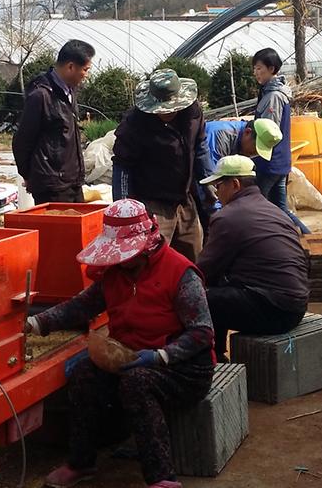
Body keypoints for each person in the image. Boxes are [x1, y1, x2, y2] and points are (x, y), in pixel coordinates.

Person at [27, 199, 215, 488]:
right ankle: (81, 462)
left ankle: (161, 477)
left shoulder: (180, 273)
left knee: (137, 383)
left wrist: (161, 356)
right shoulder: (115, 275)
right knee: (83, 375)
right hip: (130, 358)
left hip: (184, 368)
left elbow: (202, 333)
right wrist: (37, 323)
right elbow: (81, 307)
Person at [196, 155, 309, 361]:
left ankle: (212, 358)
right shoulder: (275, 210)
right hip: (297, 306)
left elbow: (204, 270)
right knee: (220, 288)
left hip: (276, 312)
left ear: (235, 184)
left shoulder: (227, 217)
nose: (216, 193)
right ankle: (218, 352)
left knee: (198, 297)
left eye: (218, 186)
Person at [112, 68, 213, 262]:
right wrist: (124, 209)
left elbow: (200, 148)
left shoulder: (192, 113)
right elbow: (122, 166)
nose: (167, 112)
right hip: (152, 201)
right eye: (162, 109)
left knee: (192, 256)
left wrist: (208, 183)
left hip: (184, 199)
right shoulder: (135, 123)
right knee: (153, 260)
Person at [12, 40, 95, 204]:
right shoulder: (41, 96)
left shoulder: (69, 91)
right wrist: (30, 175)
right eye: (85, 70)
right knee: (58, 230)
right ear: (71, 67)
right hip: (52, 186)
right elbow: (22, 141)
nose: (86, 75)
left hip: (73, 182)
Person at [251, 48, 310, 234]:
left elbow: (270, 131)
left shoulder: (274, 96)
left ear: (271, 68)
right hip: (279, 161)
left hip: (270, 161)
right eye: (254, 68)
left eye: (259, 68)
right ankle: (307, 239)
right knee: (281, 209)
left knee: (256, 207)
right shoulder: (272, 93)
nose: (256, 73)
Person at [205, 118, 283, 167]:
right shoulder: (220, 136)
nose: (253, 154)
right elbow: (210, 174)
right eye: (255, 149)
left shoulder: (241, 140)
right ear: (247, 132)